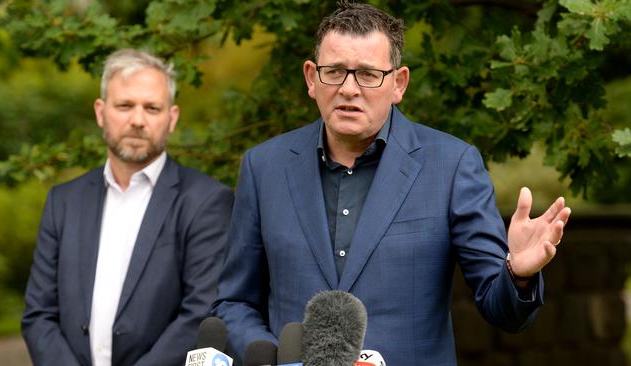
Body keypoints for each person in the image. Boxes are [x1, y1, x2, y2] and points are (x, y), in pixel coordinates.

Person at [213, 2, 571, 365]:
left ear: (398, 83)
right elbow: (235, 301)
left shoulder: (451, 166)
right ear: (311, 78)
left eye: (368, 75)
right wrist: (267, 355)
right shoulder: (264, 166)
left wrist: (518, 273)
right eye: (334, 71)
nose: (349, 89)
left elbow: (504, 313)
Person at [22, 49, 234, 366]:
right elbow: (39, 314)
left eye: (151, 108)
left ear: (172, 117)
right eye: (124, 105)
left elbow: (202, 311)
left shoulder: (206, 201)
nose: (137, 120)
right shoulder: (63, 201)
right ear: (100, 111)